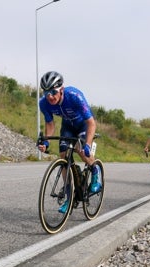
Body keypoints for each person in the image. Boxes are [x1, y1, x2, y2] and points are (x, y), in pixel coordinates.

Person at [38, 71, 101, 213]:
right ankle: (69, 197)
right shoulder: (44, 103)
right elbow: (50, 124)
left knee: (80, 149)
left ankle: (95, 173)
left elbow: (91, 123)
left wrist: (88, 144)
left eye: (53, 92)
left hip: (83, 124)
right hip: (67, 127)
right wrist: (46, 142)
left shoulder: (74, 96)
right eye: (46, 92)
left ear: (61, 89)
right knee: (63, 156)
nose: (50, 96)